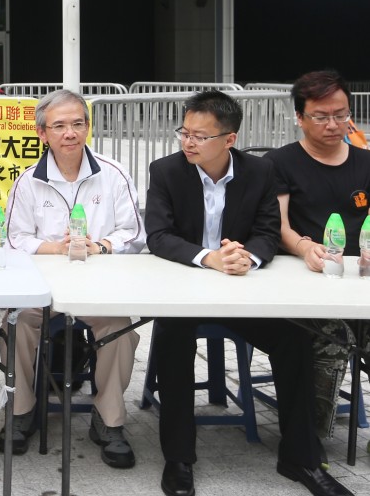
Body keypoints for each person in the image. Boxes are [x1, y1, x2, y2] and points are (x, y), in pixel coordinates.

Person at [146, 90, 350, 496]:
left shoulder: (259, 171)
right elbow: (159, 235)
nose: (188, 142)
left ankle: (301, 458)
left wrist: (247, 260)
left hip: (240, 289)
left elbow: (267, 232)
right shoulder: (166, 170)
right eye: (184, 132)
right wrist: (209, 258)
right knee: (172, 337)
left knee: (295, 337)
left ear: (229, 139)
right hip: (185, 288)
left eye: (200, 136)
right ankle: (179, 458)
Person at [0, 89, 145, 465]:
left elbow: (133, 232)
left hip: (100, 289)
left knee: (121, 329)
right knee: (15, 321)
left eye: (78, 124)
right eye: (59, 125)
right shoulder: (28, 181)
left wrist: (99, 245)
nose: (70, 133)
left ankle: (109, 418)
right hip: (43, 290)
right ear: (42, 133)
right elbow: (14, 239)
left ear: (88, 128)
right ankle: (21, 411)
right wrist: (54, 247)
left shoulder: (113, 174)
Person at [265, 70, 370, 439]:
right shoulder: (280, 163)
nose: (333, 124)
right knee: (333, 336)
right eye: (321, 117)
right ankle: (311, 439)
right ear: (299, 117)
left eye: (341, 115)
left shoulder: (365, 161)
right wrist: (304, 247)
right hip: (306, 281)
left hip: (360, 280)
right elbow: (277, 226)